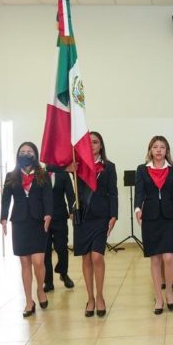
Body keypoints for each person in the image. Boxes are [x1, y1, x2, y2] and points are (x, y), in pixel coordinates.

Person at [1, 142, 53, 317]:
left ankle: (40, 289)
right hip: (20, 222)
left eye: (29, 152)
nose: (26, 154)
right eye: (22, 152)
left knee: (38, 261)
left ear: (35, 154)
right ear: (18, 155)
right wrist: (3, 218)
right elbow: (6, 199)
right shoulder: (11, 176)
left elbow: (48, 196)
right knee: (24, 262)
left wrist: (48, 214)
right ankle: (28, 300)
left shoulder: (43, 174)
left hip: (39, 221)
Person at [135, 136, 173, 315]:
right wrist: (137, 208)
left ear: (167, 151)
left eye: (162, 147)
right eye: (155, 147)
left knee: (169, 257)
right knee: (155, 258)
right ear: (150, 150)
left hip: (169, 217)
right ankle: (158, 297)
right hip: (150, 218)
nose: (158, 150)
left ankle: (169, 292)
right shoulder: (142, 170)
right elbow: (139, 192)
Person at [73, 131, 118, 318]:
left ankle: (100, 296)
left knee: (97, 257)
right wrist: (71, 207)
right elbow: (69, 189)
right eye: (88, 142)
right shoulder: (77, 166)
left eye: (95, 142)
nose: (92, 145)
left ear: (101, 145)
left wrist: (114, 215)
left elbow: (113, 192)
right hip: (82, 217)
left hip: (101, 217)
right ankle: (90, 298)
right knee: (86, 258)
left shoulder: (109, 167)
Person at [44, 165, 75, 291]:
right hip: (43, 218)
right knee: (45, 251)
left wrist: (72, 211)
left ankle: (63, 273)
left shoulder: (63, 174)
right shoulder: (40, 174)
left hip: (60, 216)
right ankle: (48, 281)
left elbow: (70, 193)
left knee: (62, 247)